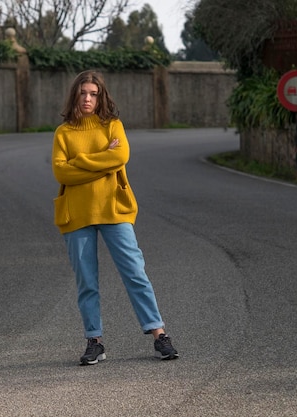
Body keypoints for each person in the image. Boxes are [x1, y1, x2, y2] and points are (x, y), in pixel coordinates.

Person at [51, 70, 179, 365]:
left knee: (135, 271)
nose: (87, 98)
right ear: (75, 95)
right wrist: (98, 161)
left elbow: (119, 158)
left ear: (101, 97)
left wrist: (78, 163)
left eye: (93, 94)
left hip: (114, 209)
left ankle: (159, 334)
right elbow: (60, 171)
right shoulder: (64, 133)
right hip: (76, 213)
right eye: (83, 92)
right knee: (87, 280)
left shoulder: (113, 126)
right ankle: (94, 341)